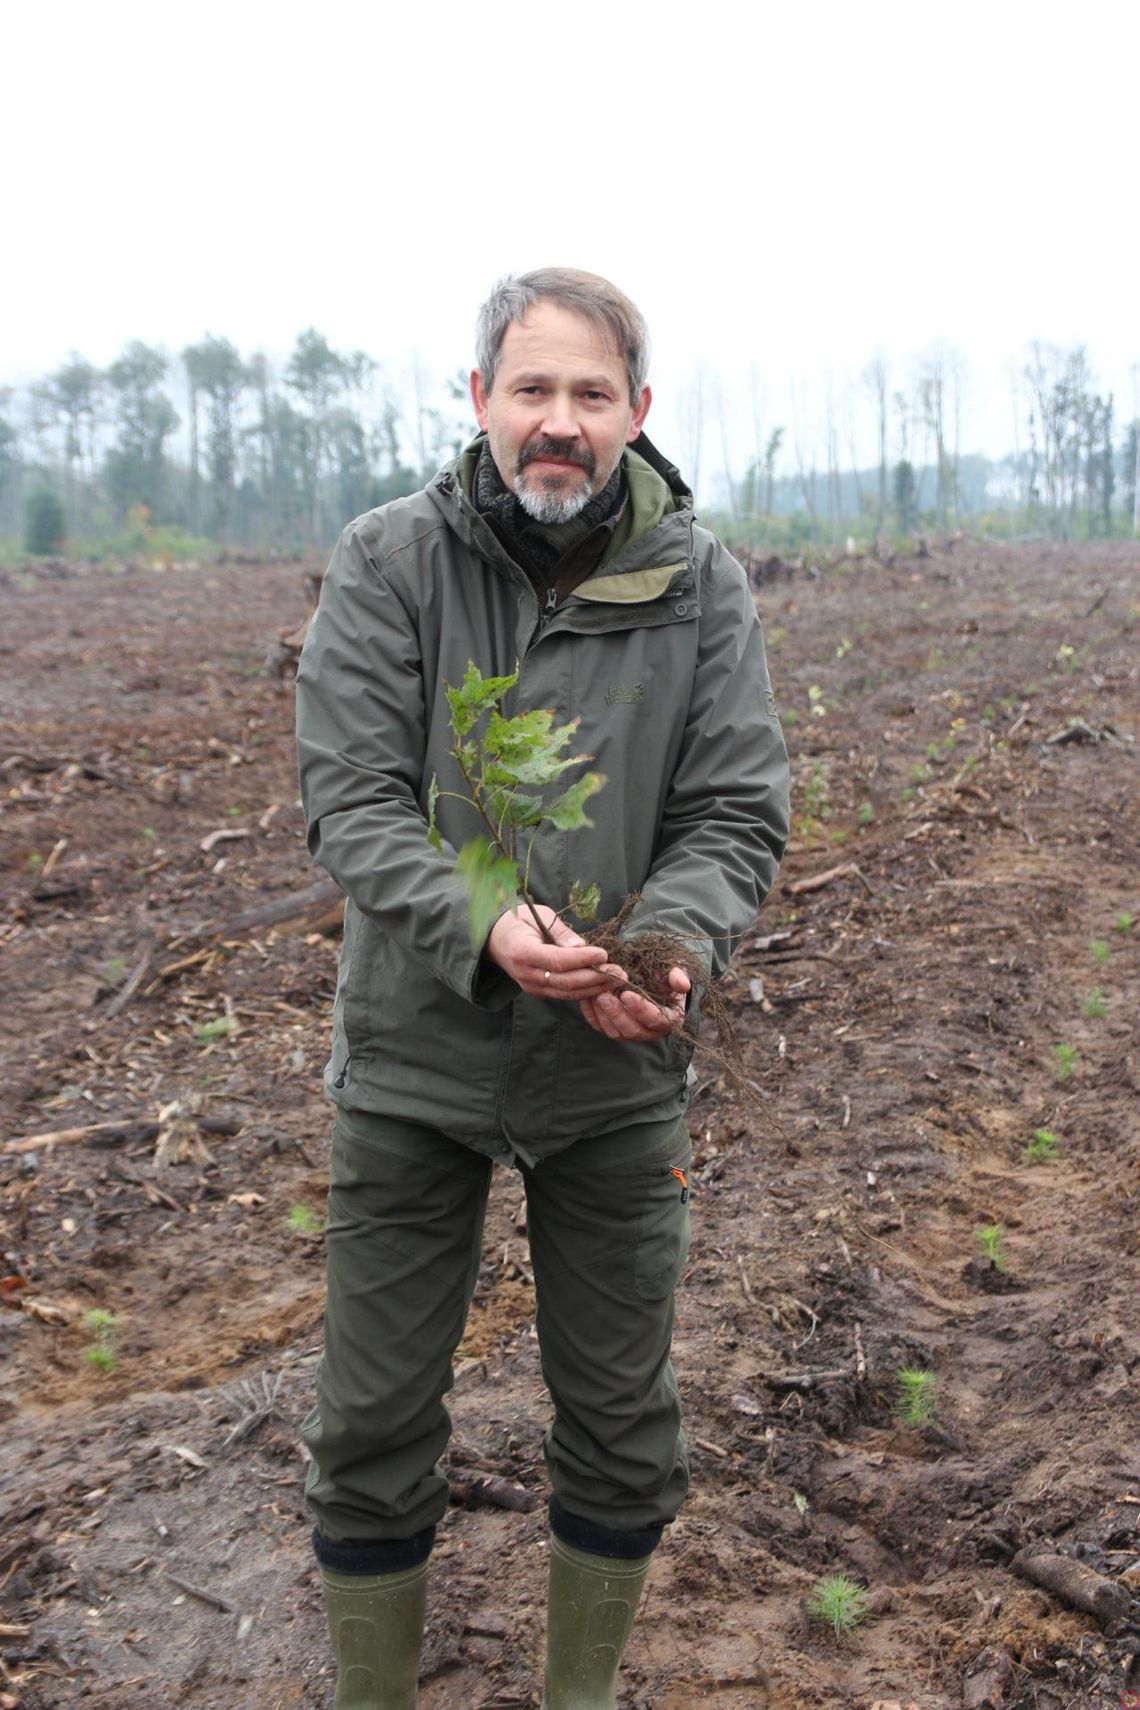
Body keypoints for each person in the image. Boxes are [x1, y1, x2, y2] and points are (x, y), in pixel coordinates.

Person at [295, 267, 789, 1710]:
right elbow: (352, 795)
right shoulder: (393, 563)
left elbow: (735, 809)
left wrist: (677, 945)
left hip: (613, 1068)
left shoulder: (704, 589)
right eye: (531, 390)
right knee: (372, 1419)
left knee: (624, 1421)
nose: (557, 423)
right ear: (479, 402)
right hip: (414, 1061)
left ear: (637, 414)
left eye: (589, 395)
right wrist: (489, 917)